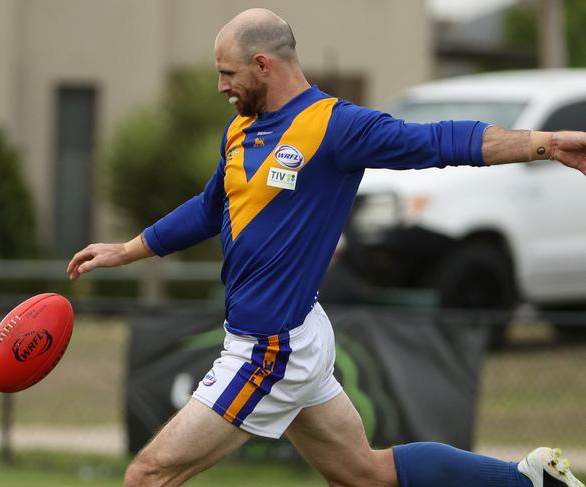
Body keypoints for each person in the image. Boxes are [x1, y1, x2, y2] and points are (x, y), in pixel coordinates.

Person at [67, 8, 586, 487]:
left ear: (263, 64)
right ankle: (528, 480)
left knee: (147, 476)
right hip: (292, 332)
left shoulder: (335, 127)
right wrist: (126, 250)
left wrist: (545, 144)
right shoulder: (241, 131)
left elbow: (440, 142)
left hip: (272, 348)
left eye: (228, 73)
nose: (221, 86)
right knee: (365, 473)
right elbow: (209, 208)